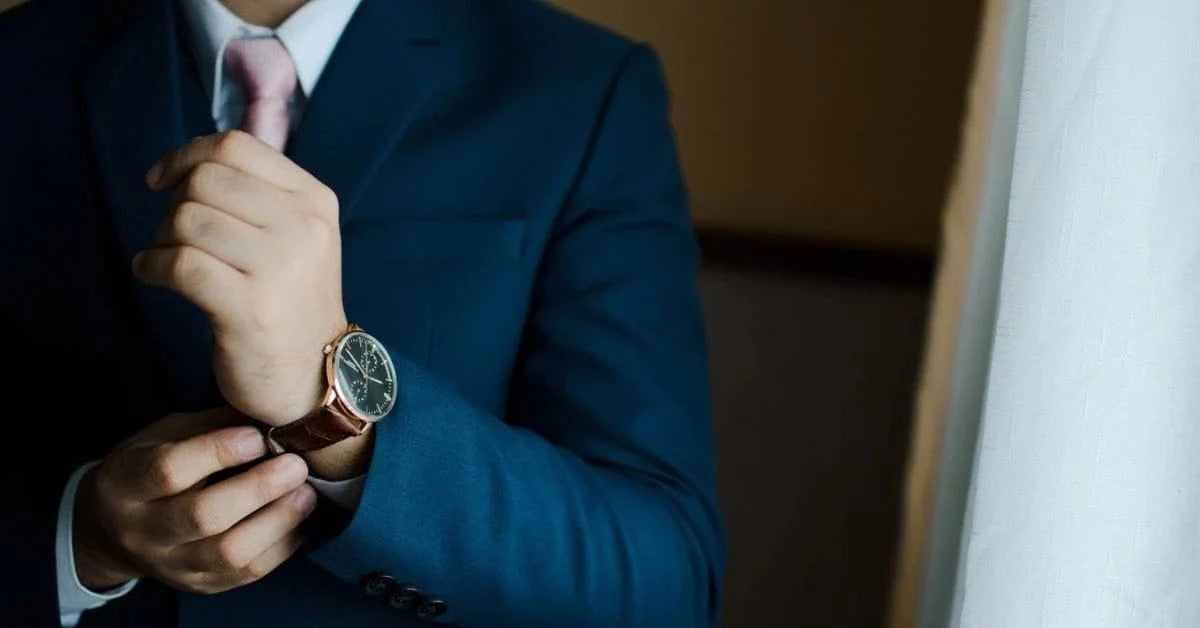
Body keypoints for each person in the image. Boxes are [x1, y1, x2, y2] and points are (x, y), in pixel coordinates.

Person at [0, 0, 725, 626]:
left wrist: (334, 410)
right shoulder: (19, 64)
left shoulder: (579, 91)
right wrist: (80, 535)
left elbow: (665, 579)